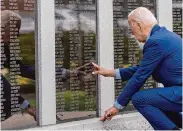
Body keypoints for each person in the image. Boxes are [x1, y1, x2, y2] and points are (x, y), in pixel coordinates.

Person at [92, 7, 182, 130]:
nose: (131, 32)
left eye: (131, 26)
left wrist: (117, 106)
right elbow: (143, 69)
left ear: (138, 24)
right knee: (157, 102)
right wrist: (110, 73)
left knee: (140, 99)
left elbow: (140, 76)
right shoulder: (164, 36)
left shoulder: (156, 42)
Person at [1, 10, 88, 122]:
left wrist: (66, 73)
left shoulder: (3, 48)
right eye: (15, 30)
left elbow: (23, 69)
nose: (17, 35)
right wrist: (27, 107)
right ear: (3, 28)